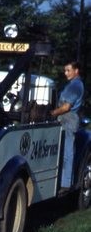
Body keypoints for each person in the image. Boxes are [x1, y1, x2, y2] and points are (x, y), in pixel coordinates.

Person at [51, 61, 84, 190]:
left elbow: (66, 107)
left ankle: (66, 183)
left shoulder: (76, 85)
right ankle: (62, 180)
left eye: (68, 70)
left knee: (67, 152)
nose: (66, 73)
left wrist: (52, 113)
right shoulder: (71, 84)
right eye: (65, 70)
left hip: (69, 120)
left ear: (76, 71)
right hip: (65, 119)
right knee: (63, 151)